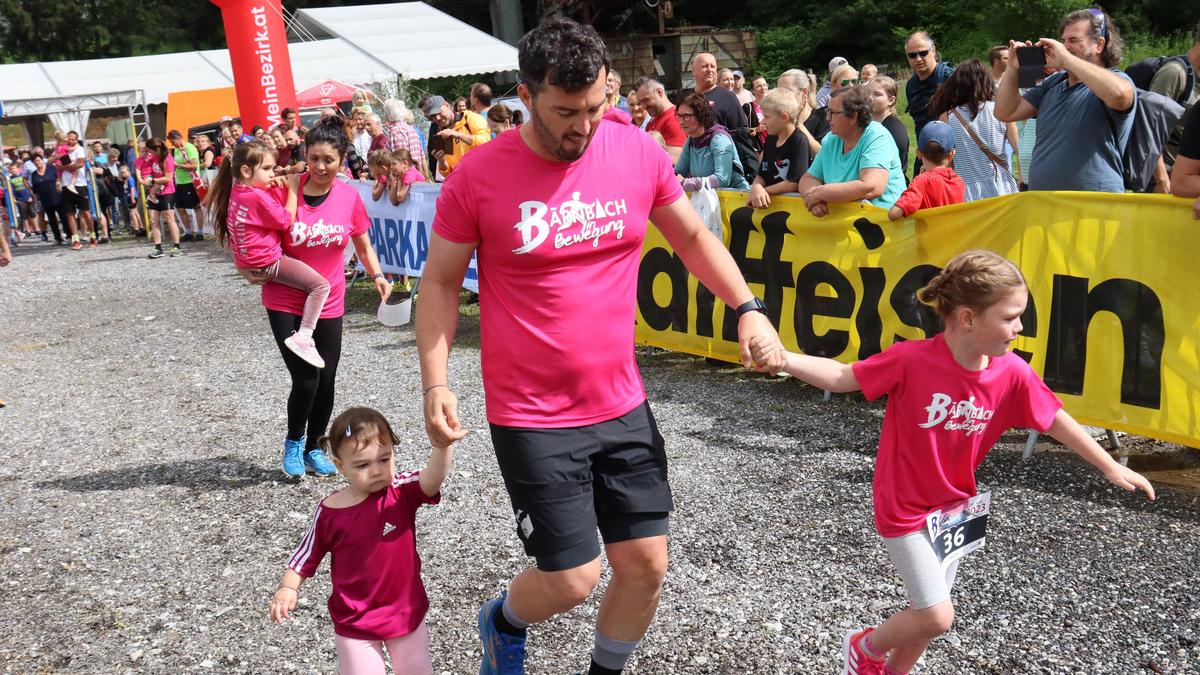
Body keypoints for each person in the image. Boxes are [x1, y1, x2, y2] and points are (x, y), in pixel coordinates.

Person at [416, 16, 785, 675]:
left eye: (594, 106)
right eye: (564, 111)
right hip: (531, 411)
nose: (581, 126)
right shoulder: (479, 175)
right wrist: (436, 381)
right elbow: (441, 281)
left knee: (646, 565)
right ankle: (501, 620)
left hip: (620, 401)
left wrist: (747, 308)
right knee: (573, 576)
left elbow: (694, 240)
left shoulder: (636, 151)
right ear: (526, 97)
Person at [745, 249, 1155, 675]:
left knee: (925, 617)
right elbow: (844, 377)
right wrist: (784, 358)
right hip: (904, 508)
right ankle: (864, 649)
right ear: (967, 318)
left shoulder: (1011, 371)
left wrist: (1110, 466)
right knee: (938, 614)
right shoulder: (911, 360)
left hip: (955, 510)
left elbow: (1053, 417)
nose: (1019, 328)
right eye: (1011, 317)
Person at [241, 116, 391, 477]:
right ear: (304, 156)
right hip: (285, 299)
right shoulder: (283, 190)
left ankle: (315, 447)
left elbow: (363, 244)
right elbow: (245, 225)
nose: (321, 167)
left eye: (329, 160)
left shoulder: (348, 196)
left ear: (342, 161)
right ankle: (293, 442)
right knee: (306, 377)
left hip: (329, 300)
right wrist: (245, 266)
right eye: (314, 159)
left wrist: (379, 275)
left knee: (327, 379)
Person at [271, 407, 452, 675]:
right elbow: (306, 554)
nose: (377, 471)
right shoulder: (329, 511)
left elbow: (432, 479)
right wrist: (288, 587)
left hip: (404, 612)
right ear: (340, 465)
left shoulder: (401, 492)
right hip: (354, 621)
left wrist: (442, 446)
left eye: (384, 459)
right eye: (363, 465)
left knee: (417, 670)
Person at [206, 139, 331, 371]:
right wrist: (293, 189)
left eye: (273, 168)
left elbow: (238, 228)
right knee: (320, 286)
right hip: (267, 261)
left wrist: (278, 179)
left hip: (251, 261)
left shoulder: (239, 192)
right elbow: (285, 220)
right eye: (266, 169)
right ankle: (304, 336)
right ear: (245, 170)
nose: (272, 173)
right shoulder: (255, 196)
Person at [995, 9, 1135, 193]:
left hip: (1094, 209)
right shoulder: (1054, 83)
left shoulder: (1116, 80)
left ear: (1099, 45)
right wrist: (1013, 69)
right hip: (1047, 205)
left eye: (1074, 40)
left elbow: (1120, 95)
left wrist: (1066, 59)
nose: (1064, 46)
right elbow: (1005, 112)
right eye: (1064, 41)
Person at [797, 84, 906, 215]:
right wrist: (815, 201)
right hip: (844, 225)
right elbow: (808, 178)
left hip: (882, 225)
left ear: (853, 116)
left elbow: (871, 187)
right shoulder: (831, 139)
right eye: (828, 111)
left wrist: (821, 193)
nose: (827, 118)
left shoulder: (877, 137)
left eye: (833, 113)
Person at [929, 59, 1019, 201]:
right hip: (1002, 187)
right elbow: (1018, 148)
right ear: (986, 81)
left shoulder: (946, 117)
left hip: (967, 192)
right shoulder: (1001, 110)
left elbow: (947, 163)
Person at [1147, 20, 1200, 193]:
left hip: (1183, 181)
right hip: (1160, 183)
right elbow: (1149, 131)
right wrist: (1162, 182)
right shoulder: (1175, 73)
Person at [888, 122, 965, 220]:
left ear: (918, 153)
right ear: (952, 154)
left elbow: (894, 213)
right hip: (954, 235)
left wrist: (919, 182)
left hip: (928, 235)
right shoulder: (958, 182)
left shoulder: (922, 182)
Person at [674, 91, 750, 191]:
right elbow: (679, 171)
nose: (681, 121)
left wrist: (687, 183)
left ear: (701, 115)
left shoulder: (719, 138)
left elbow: (722, 179)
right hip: (709, 201)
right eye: (679, 116)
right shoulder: (691, 140)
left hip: (735, 199)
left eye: (686, 116)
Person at [747, 88, 809, 209]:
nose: (762, 121)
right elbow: (761, 174)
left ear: (784, 117)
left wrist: (763, 191)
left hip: (792, 209)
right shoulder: (771, 138)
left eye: (767, 117)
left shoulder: (799, 141)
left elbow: (793, 183)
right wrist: (756, 187)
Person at [904, 32, 955, 175]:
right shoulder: (911, 85)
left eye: (923, 53)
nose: (918, 59)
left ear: (933, 50)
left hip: (950, 156)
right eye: (912, 55)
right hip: (924, 155)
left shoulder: (949, 77)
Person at [422, 95, 490, 178]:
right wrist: (441, 161)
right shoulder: (441, 132)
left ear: (447, 105)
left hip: (482, 178)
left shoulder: (470, 118)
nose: (438, 118)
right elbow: (448, 172)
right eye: (433, 116)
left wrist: (457, 134)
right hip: (461, 183)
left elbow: (486, 143)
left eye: (439, 112)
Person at [138, 138, 182, 259]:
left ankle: (176, 246)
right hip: (154, 192)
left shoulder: (168, 158)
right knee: (153, 220)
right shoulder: (153, 157)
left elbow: (168, 178)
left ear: (157, 149)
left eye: (149, 150)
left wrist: (153, 181)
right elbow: (142, 166)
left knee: (169, 219)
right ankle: (158, 247)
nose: (148, 153)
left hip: (167, 192)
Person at [777, 69, 828, 158]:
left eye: (787, 91)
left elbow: (821, 156)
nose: (782, 97)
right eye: (779, 92)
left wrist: (797, 122)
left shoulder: (823, 116)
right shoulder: (781, 120)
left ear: (804, 92)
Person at [691, 52, 749, 130]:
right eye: (704, 66)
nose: (709, 70)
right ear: (693, 71)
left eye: (712, 66)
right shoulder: (687, 97)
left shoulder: (728, 97)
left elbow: (741, 131)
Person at [869, 76, 910, 180]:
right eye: (867, 92)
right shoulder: (870, 125)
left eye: (877, 94)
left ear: (891, 100)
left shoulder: (894, 130)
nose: (869, 97)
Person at [635, 77, 686, 162]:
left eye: (646, 100)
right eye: (640, 102)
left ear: (659, 92)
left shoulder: (674, 119)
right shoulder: (653, 119)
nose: (643, 106)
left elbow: (675, 162)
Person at [60, 131, 96, 250]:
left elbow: (79, 164)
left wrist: (63, 167)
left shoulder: (80, 149)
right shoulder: (63, 151)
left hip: (79, 184)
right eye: (68, 139)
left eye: (73, 139)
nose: (70, 141)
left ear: (76, 140)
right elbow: (55, 163)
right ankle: (75, 239)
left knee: (85, 212)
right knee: (70, 213)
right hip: (66, 184)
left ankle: (92, 235)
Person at [168, 130, 203, 241]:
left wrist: (178, 165)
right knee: (180, 208)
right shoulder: (178, 149)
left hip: (190, 182)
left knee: (196, 207)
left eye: (172, 141)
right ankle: (188, 232)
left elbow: (193, 166)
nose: (172, 144)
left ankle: (200, 232)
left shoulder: (190, 147)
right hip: (179, 183)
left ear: (177, 138)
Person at [382, 98, 427, 176]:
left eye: (385, 112)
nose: (384, 114)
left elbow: (400, 160)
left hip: (405, 179)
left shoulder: (396, 132)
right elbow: (422, 156)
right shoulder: (411, 129)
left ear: (389, 114)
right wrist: (426, 176)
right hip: (417, 176)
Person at [30, 155, 66, 244]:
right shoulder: (34, 174)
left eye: (38, 160)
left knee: (63, 217)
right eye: (35, 161)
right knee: (51, 219)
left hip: (58, 197)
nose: (37, 163)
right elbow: (35, 190)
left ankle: (69, 235)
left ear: (42, 160)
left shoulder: (51, 168)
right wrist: (36, 202)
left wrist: (59, 182)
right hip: (45, 200)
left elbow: (59, 177)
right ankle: (57, 238)